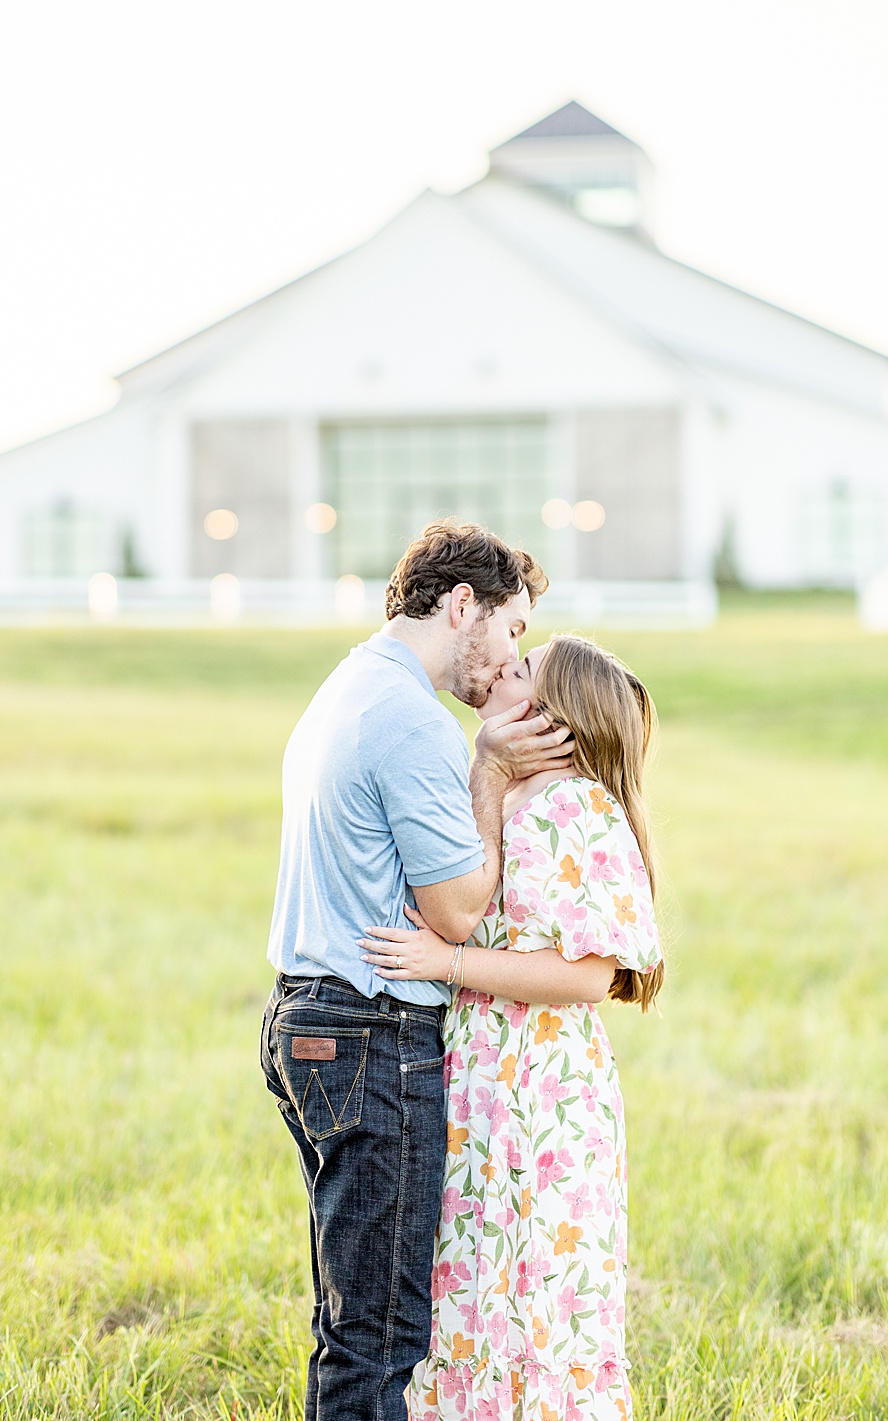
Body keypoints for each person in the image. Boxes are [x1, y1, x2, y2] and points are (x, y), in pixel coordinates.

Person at [258, 519, 573, 1420]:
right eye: (512, 629)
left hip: (311, 1016)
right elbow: (458, 910)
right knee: (382, 1336)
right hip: (370, 1033)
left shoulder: (349, 684)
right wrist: (487, 770)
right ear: (463, 603)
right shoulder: (412, 720)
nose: (512, 655)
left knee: (355, 1317)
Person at [360, 633, 665, 1421]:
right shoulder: (507, 793)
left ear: (547, 717)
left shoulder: (578, 809)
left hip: (538, 1088)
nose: (501, 668)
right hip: (477, 1071)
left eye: (520, 670)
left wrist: (445, 963)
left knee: (529, 1281)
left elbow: (589, 976)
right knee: (467, 1275)